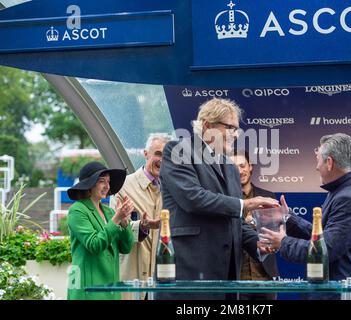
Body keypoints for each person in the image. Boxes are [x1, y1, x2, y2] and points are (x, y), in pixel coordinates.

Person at [159, 98, 279, 297]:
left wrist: (256, 242)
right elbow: (193, 198)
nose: (235, 134)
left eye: (237, 129)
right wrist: (246, 204)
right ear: (207, 126)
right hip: (191, 273)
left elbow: (234, 219)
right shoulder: (179, 151)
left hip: (227, 277)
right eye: (229, 127)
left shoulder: (230, 167)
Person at [261, 133, 351, 299]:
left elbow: (325, 250)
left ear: (329, 163)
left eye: (318, 160)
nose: (316, 167)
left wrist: (283, 242)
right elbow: (322, 239)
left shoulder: (347, 198)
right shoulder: (344, 191)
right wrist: (289, 217)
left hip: (342, 295)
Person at [113, 133, 171, 300]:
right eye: (158, 154)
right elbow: (113, 229)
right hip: (132, 281)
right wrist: (143, 226)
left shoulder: (174, 189)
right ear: (146, 154)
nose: (162, 160)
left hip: (163, 283)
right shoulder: (123, 186)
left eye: (166, 156)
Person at [66, 161, 135, 300]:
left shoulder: (109, 211)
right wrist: (116, 219)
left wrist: (124, 222)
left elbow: (126, 247)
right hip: (88, 290)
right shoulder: (77, 210)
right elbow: (94, 244)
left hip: (112, 290)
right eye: (101, 181)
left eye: (108, 182)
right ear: (89, 185)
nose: (107, 186)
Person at [229, 150, 279, 300]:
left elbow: (275, 233)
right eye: (233, 167)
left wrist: (256, 221)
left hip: (265, 277)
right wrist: (247, 222)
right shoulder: (226, 201)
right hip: (237, 278)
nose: (239, 171)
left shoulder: (268, 197)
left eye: (242, 165)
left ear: (250, 166)